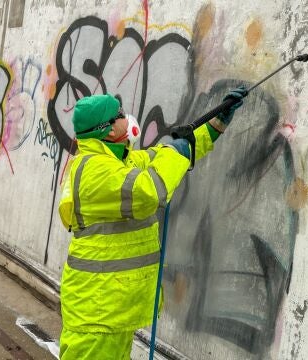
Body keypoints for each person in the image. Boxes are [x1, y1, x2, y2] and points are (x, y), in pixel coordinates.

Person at [57, 88, 246, 359]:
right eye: (119, 114)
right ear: (108, 131)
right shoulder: (94, 171)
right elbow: (150, 191)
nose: (126, 117)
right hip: (97, 313)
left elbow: (163, 157)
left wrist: (216, 124)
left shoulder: (119, 161)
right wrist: (176, 154)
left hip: (110, 307)